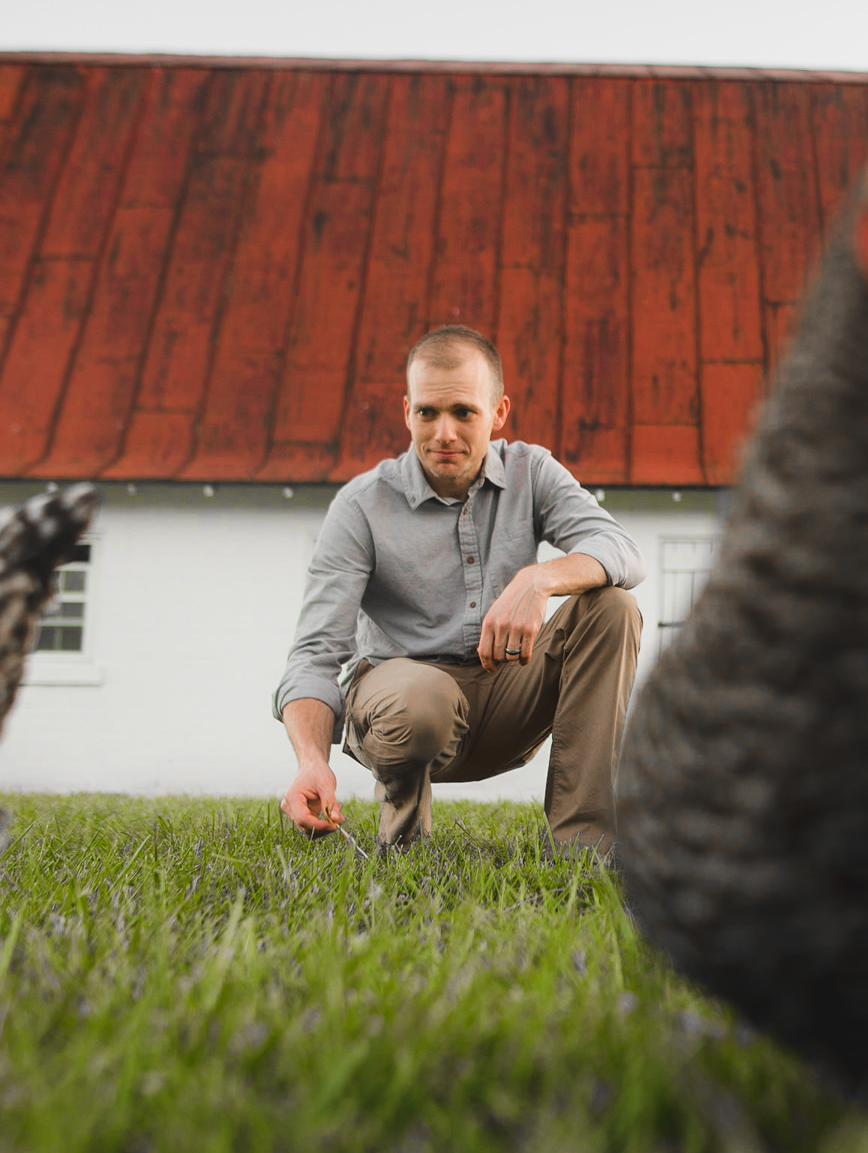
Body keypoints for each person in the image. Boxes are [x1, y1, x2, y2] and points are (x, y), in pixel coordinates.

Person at [273, 325, 643, 855]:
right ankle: (403, 847)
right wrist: (312, 762)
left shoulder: (532, 471)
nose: (444, 432)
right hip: (401, 708)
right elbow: (314, 656)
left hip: (504, 694)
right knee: (424, 696)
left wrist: (539, 578)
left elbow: (622, 549)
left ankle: (584, 849)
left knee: (612, 607)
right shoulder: (360, 507)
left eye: (464, 413)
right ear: (407, 412)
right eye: (427, 413)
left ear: (499, 413)